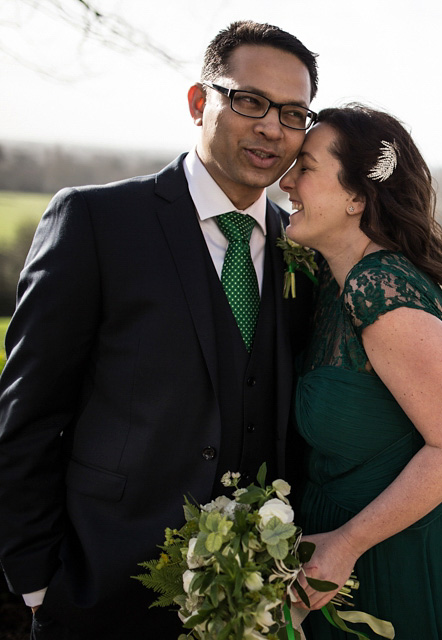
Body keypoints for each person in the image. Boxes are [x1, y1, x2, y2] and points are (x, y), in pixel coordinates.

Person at [0, 21, 319, 639]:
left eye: (293, 113)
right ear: (200, 102)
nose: (272, 128)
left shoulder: (304, 247)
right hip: (103, 585)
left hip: (258, 597)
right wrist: (36, 579)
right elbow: (26, 413)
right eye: (250, 101)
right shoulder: (96, 221)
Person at [279, 104, 442, 639]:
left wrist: (345, 545)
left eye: (305, 167)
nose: (287, 181)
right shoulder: (334, 281)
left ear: (356, 198)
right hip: (343, 548)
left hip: (398, 561)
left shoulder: (379, 287)